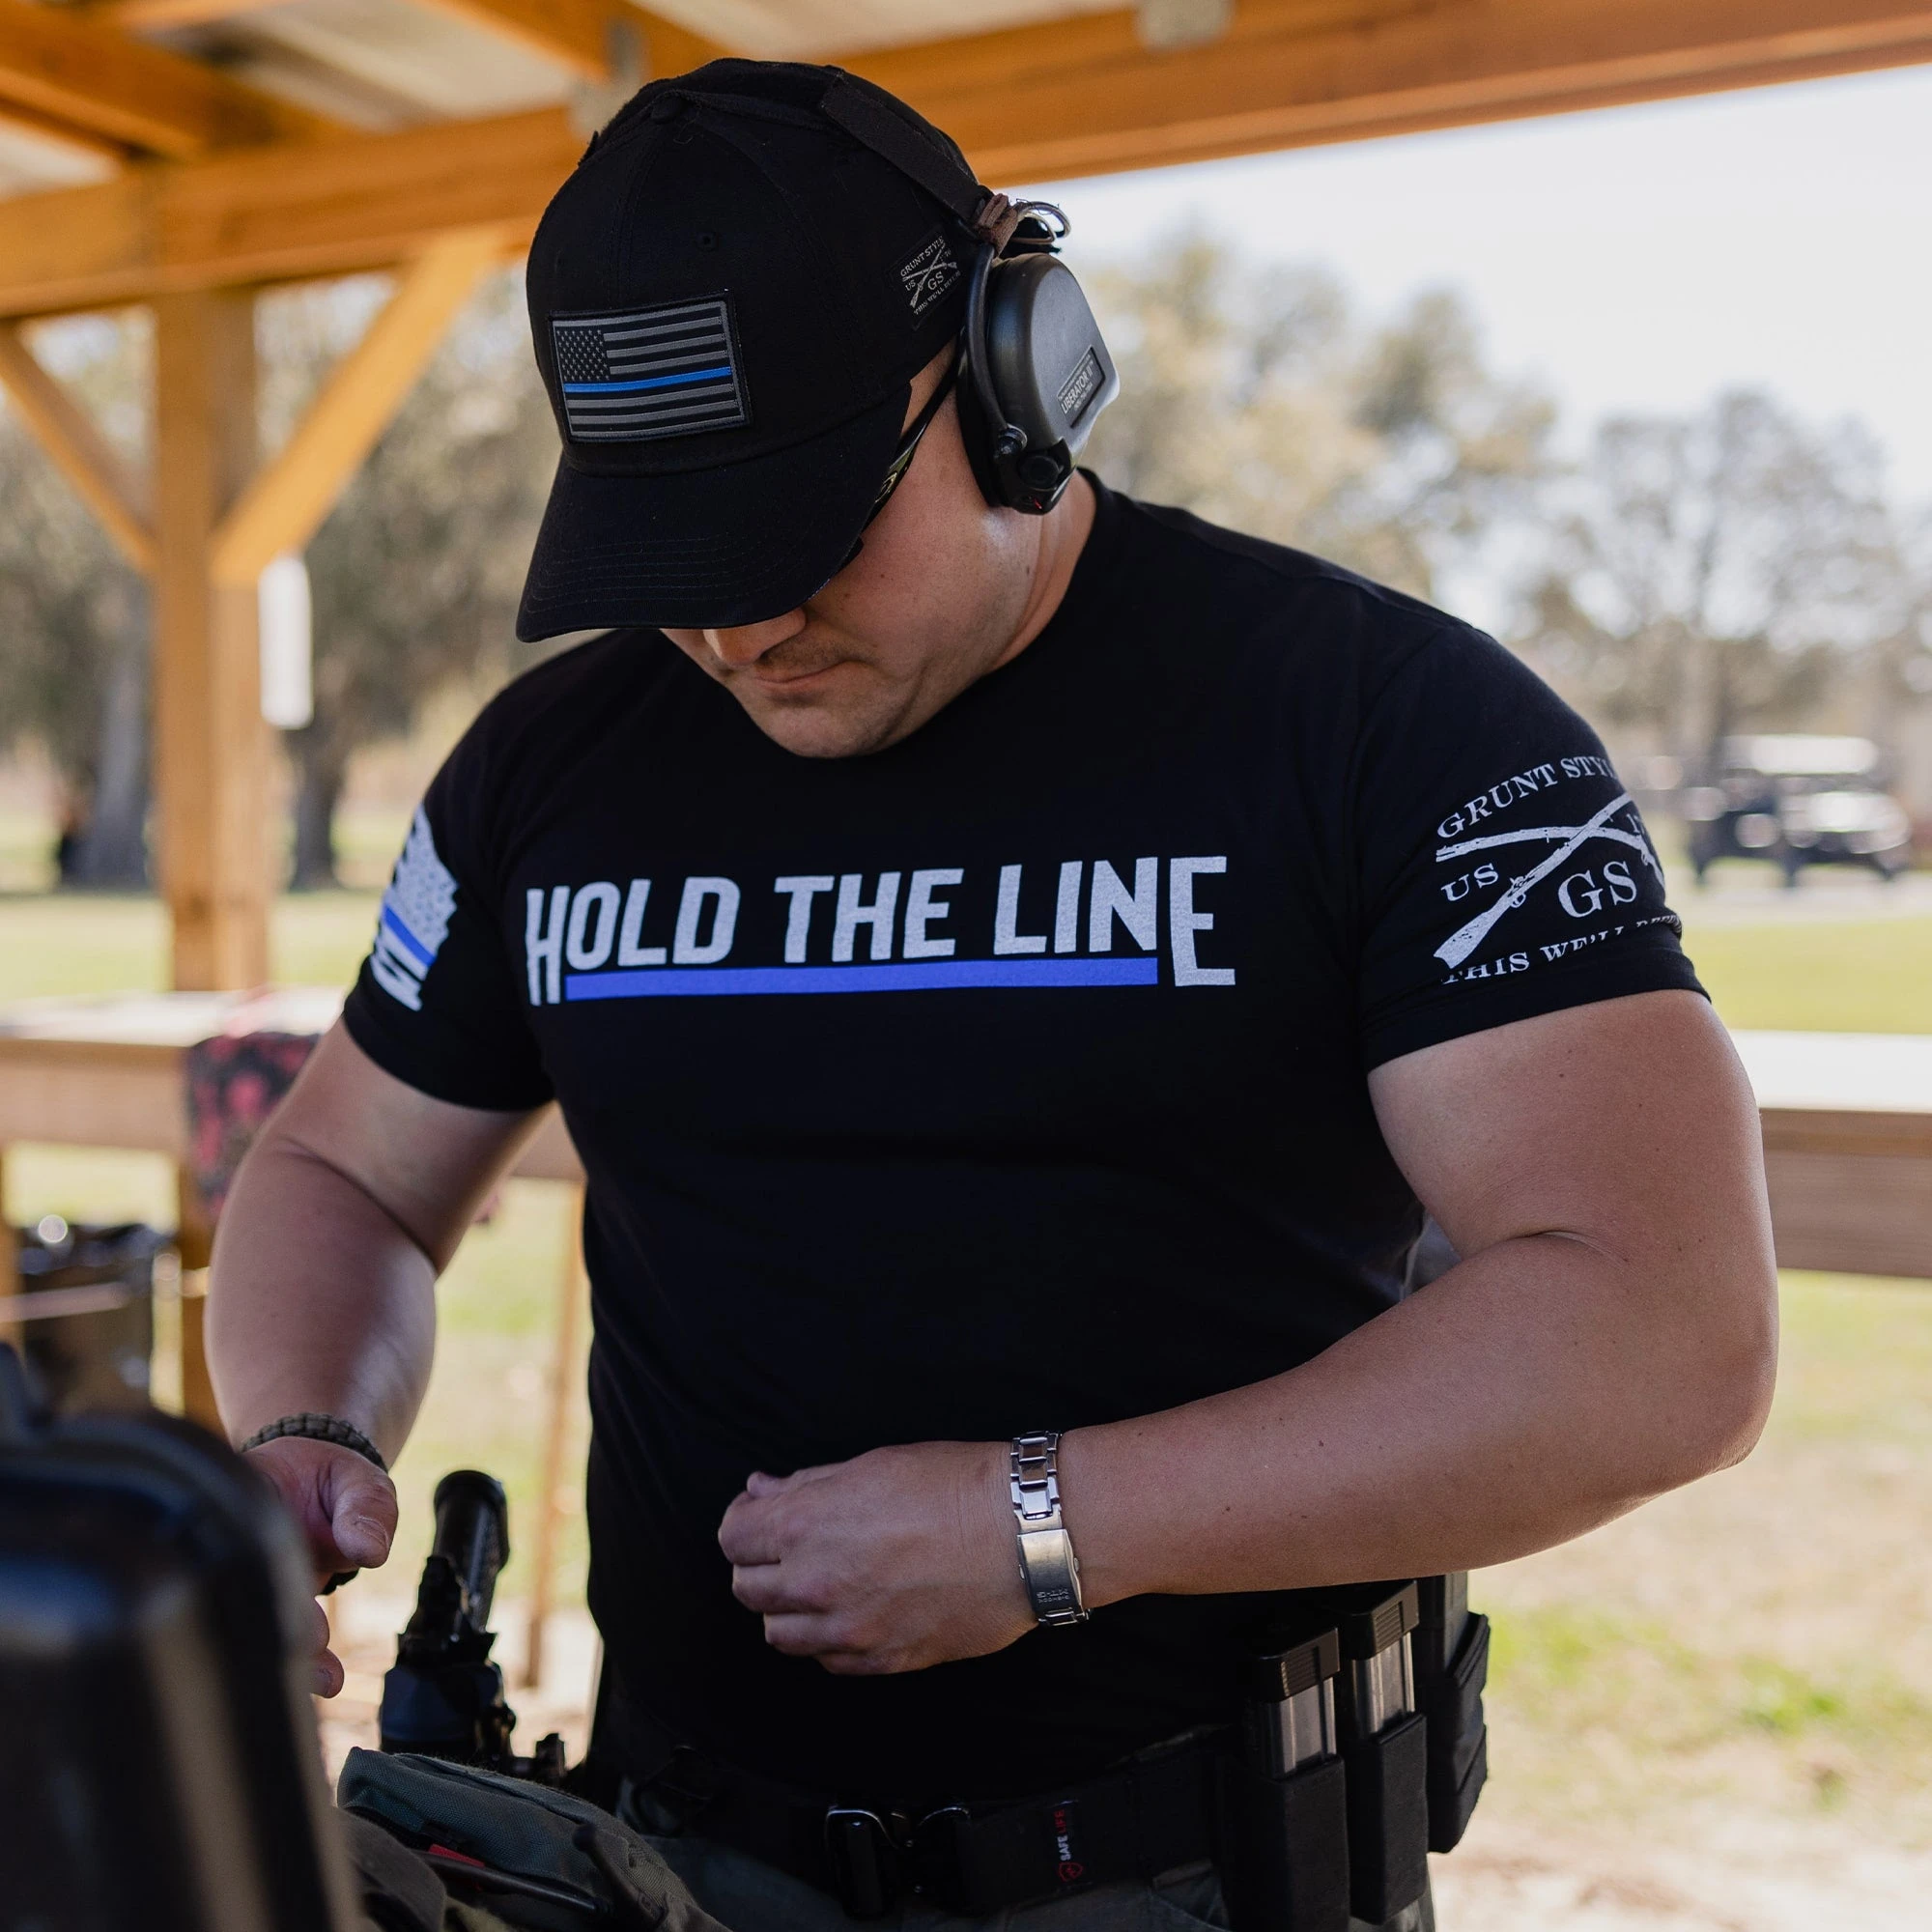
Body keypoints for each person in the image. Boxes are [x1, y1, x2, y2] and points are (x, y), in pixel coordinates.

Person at [209, 60, 1778, 1932]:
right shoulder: (551, 766)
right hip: (660, 1856)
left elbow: (1660, 1329)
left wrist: (1049, 1526)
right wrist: (305, 1433)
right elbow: (346, 1171)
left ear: (1016, 375)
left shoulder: (1384, 724)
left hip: (1198, 1870)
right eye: (673, 558)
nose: (737, 628)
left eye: (801, 533)